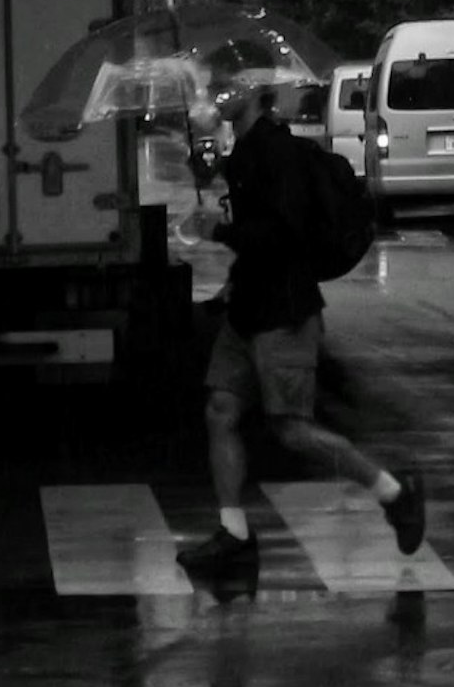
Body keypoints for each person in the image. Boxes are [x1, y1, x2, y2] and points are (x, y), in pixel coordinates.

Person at [180, 93, 424, 594]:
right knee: (220, 410)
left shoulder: (278, 154)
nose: (219, 94)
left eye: (230, 87)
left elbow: (283, 236)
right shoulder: (246, 152)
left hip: (283, 313)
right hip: (248, 309)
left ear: (255, 94)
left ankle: (396, 493)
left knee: (292, 429)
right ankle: (234, 533)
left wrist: (221, 230)